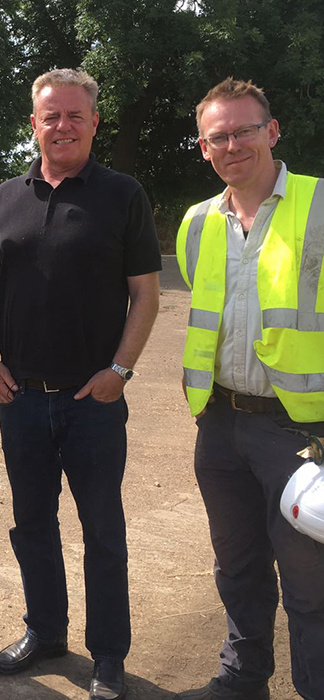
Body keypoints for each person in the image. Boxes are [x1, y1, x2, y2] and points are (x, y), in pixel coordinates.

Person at [0, 68, 161, 700]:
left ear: (94, 122)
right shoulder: (5, 197)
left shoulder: (122, 194)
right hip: (20, 396)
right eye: (50, 116)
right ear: (34, 123)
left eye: (75, 115)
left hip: (93, 402)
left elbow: (145, 294)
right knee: (32, 526)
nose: (62, 126)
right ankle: (45, 632)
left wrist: (120, 372)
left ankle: (108, 655)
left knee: (103, 531)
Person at [176, 77, 324, 700]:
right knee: (236, 564)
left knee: (310, 580)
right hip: (220, 422)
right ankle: (243, 678)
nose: (232, 144)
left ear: (272, 131)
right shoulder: (196, 223)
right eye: (218, 136)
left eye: (243, 130)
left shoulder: (318, 206)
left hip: (300, 431)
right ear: (205, 149)